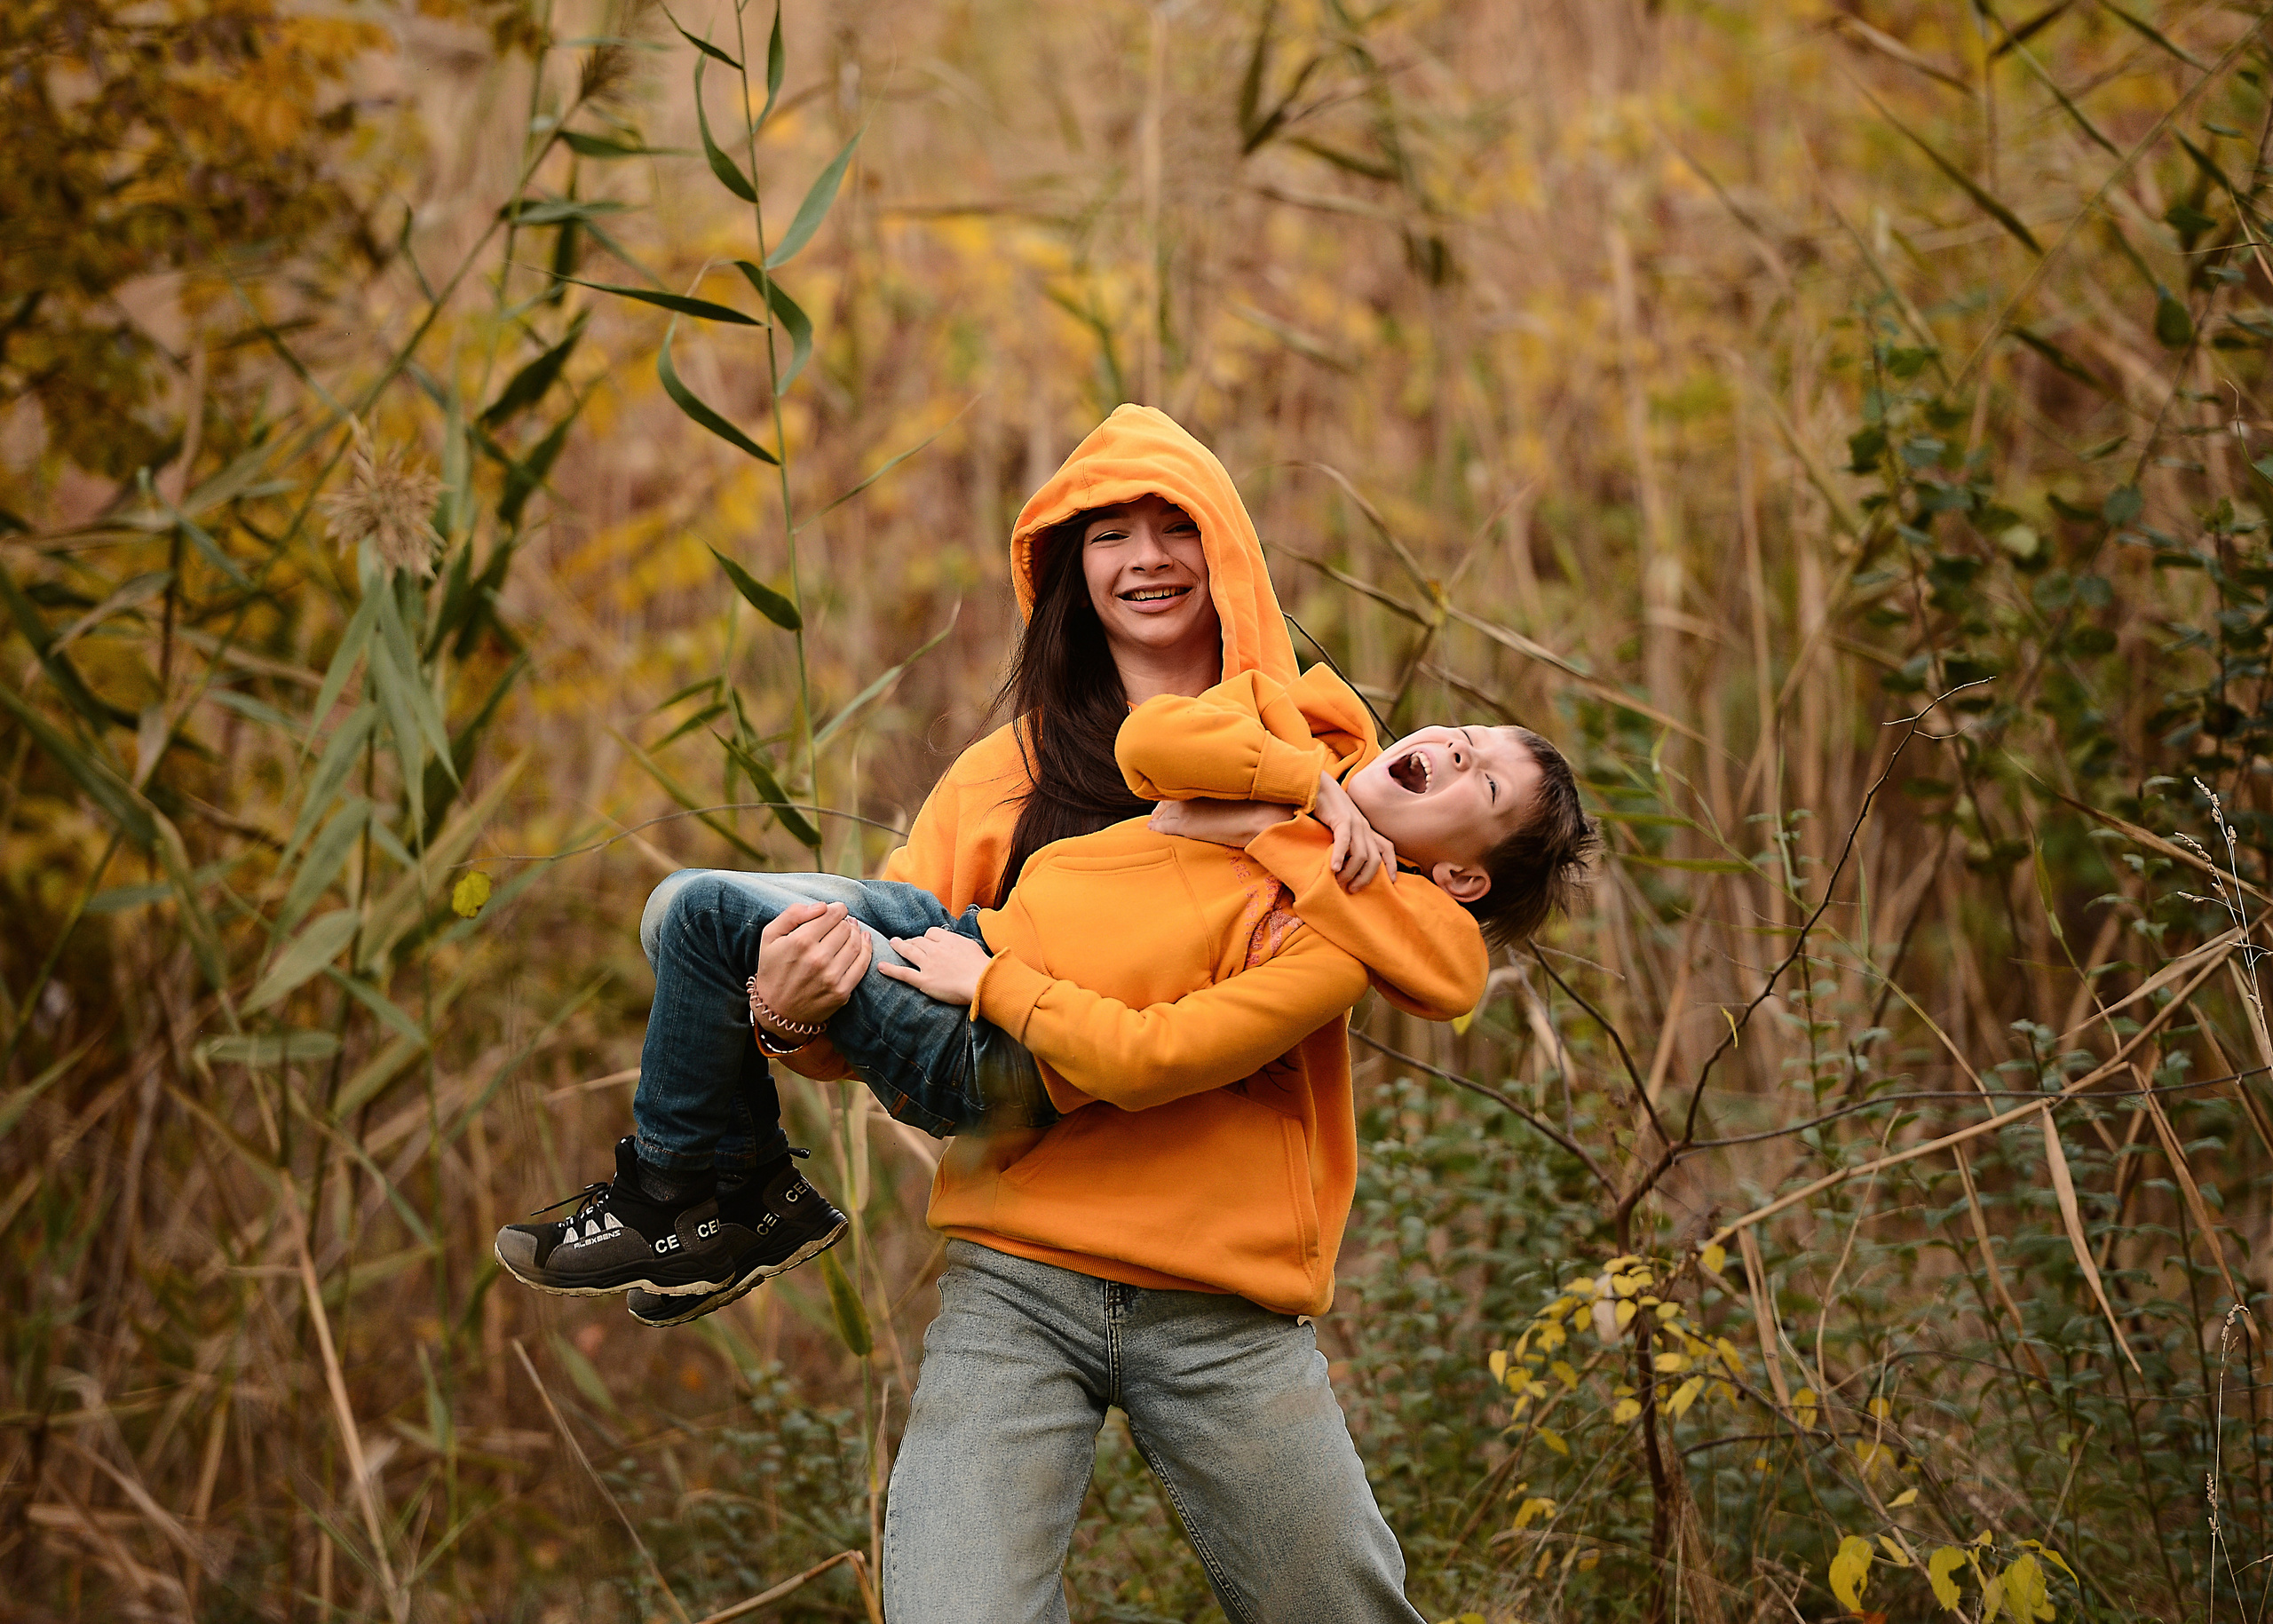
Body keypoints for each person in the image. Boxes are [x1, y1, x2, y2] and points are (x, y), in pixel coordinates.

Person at [489, 656, 1584, 1321]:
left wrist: (999, 983)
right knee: (685, 901)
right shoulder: (1297, 739)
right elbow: (1152, 739)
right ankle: (744, 1196)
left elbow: (1152, 1061)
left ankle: (686, 1191)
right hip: (965, 937)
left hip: (994, 1049)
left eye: (1480, 778)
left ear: (1462, 873)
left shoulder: (1339, 942)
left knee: (710, 915)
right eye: (1467, 729)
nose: (1448, 745)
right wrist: (1299, 788)